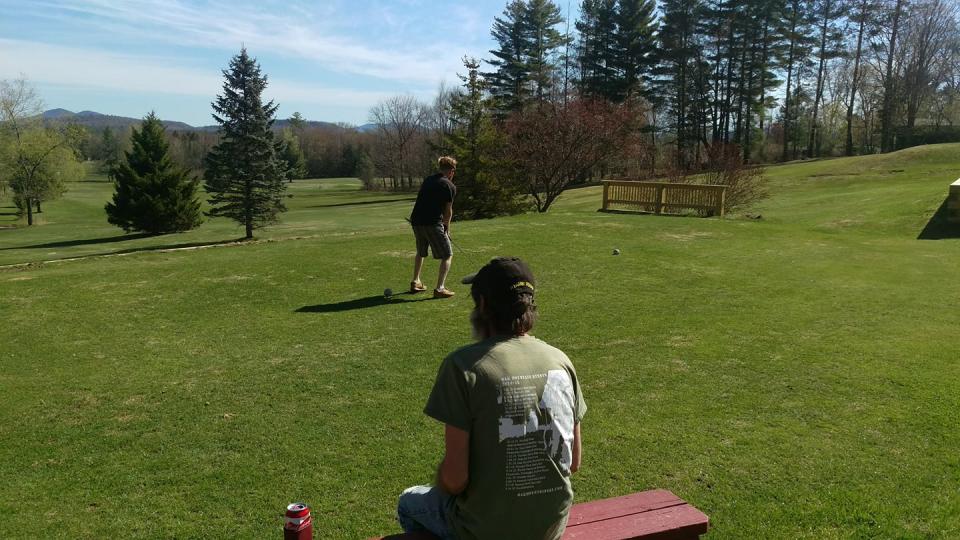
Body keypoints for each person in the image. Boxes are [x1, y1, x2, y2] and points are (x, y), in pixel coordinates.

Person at [396, 257, 587, 539]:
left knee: (409, 500)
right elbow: (573, 462)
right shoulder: (560, 360)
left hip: (485, 531)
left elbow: (455, 480)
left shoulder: (463, 366)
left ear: (483, 306)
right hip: (551, 526)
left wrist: (443, 478)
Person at [410, 156, 457, 299]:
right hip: (432, 223)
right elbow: (448, 211)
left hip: (416, 221)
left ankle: (416, 281)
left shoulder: (428, 180)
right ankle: (440, 288)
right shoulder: (449, 186)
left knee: (421, 251)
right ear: (452, 171)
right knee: (447, 255)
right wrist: (446, 228)